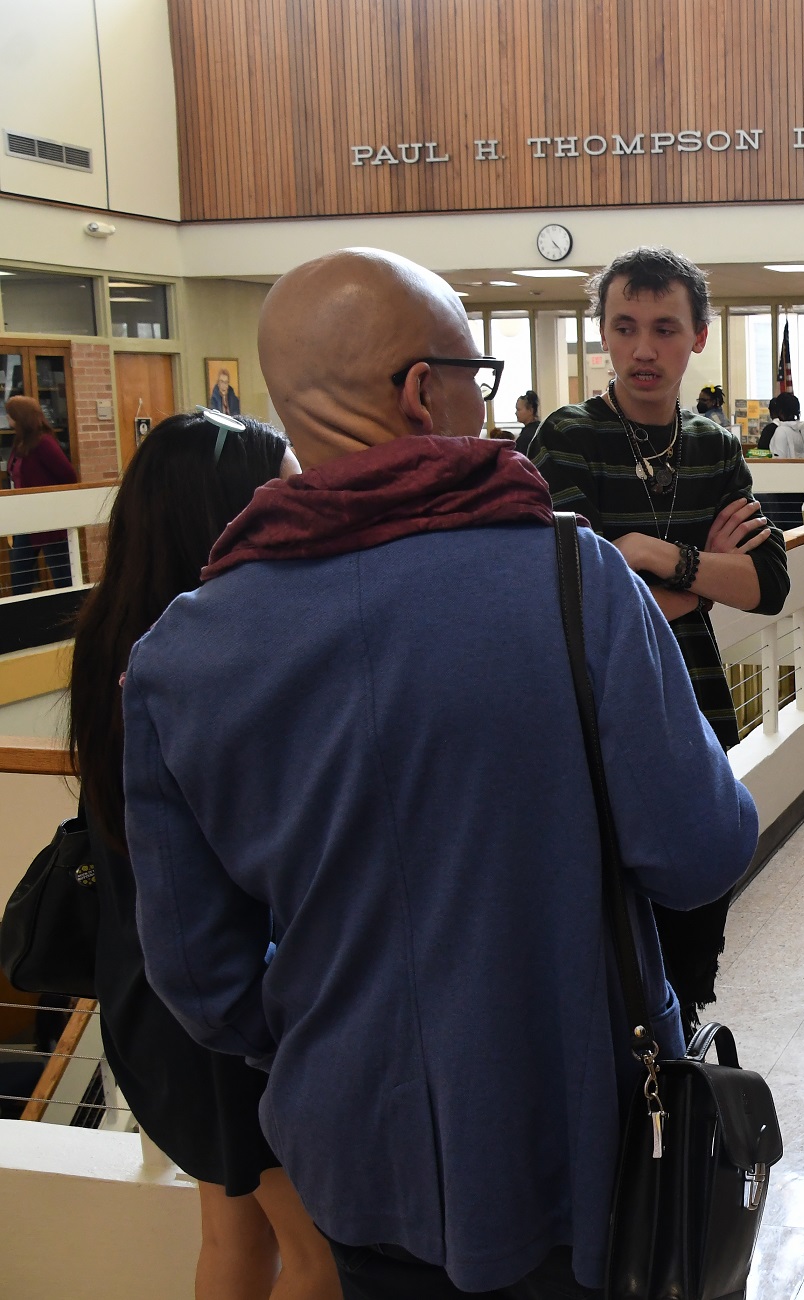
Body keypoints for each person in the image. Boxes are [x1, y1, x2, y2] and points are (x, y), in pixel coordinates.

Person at [122, 247, 758, 1299]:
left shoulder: (180, 652)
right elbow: (701, 852)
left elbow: (199, 978)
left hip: (350, 1152)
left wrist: (345, 1021)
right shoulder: (574, 579)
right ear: (423, 392)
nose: (486, 400)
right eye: (477, 373)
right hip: (580, 1139)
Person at [68, 410, 341, 1300]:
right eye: (284, 485)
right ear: (224, 511)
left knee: (236, 1238)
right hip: (224, 996)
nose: (302, 499)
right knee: (322, 1256)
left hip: (157, 995)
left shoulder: (117, 640)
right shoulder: (200, 659)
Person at [528, 247, 787, 1034]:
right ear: (602, 335)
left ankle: (672, 1110)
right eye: (625, 327)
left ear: (697, 338)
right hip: (591, 730)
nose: (644, 349)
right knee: (599, 955)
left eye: (665, 328)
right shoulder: (564, 438)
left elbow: (768, 584)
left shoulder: (713, 447)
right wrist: (702, 574)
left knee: (688, 939)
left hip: (696, 719)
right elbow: (576, 601)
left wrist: (648, 555)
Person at [5, 395, 78, 593]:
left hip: (48, 522)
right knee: (20, 578)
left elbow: (69, 475)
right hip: (25, 520)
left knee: (63, 577)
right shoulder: (20, 443)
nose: (8, 419)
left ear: (19, 417)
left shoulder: (43, 443)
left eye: (10, 415)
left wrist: (51, 502)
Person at [757, 392, 804, 530]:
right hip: (802, 482)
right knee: (795, 516)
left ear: (780, 411)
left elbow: (779, 460)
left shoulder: (781, 431)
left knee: (783, 519)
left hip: (784, 484)